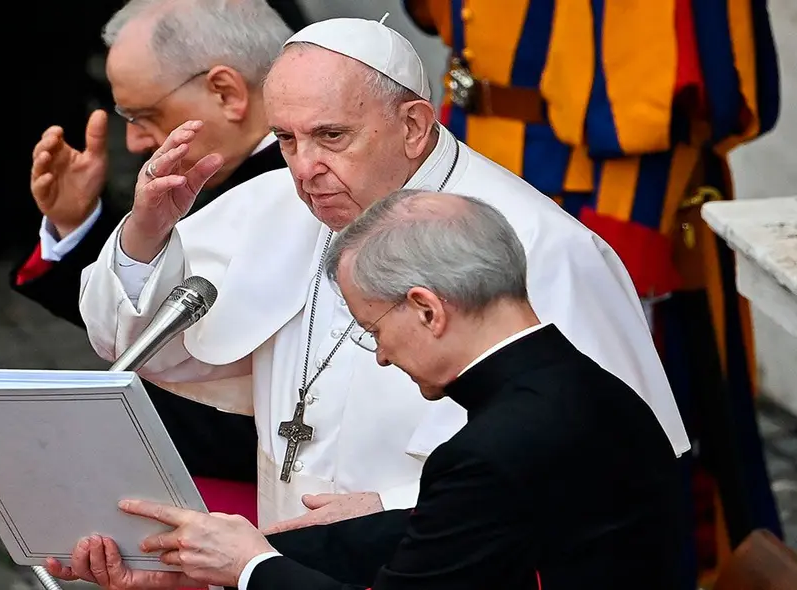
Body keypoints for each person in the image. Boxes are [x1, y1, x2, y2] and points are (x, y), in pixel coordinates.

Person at [77, 17, 690, 529]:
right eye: (286, 140)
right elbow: (129, 343)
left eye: (331, 136)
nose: (305, 168)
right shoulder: (275, 205)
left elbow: (615, 465)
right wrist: (147, 233)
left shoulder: (543, 248)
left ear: (415, 126)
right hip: (289, 545)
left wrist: (397, 511)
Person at [46, 190, 683, 590]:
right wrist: (201, 563)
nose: (379, 354)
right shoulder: (585, 388)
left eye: (375, 328)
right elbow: (435, 534)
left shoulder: (496, 447)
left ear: (428, 310)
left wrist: (250, 568)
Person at [400, 1, 783, 580]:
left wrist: (632, 225)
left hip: (597, 196)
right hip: (475, 158)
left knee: (608, 438)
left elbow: (671, 95)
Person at [13, 0, 300, 525]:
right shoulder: (225, 174)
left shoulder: (306, 191)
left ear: (226, 92)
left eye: (145, 116)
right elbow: (154, 327)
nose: (135, 142)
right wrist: (79, 226)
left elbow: (225, 384)